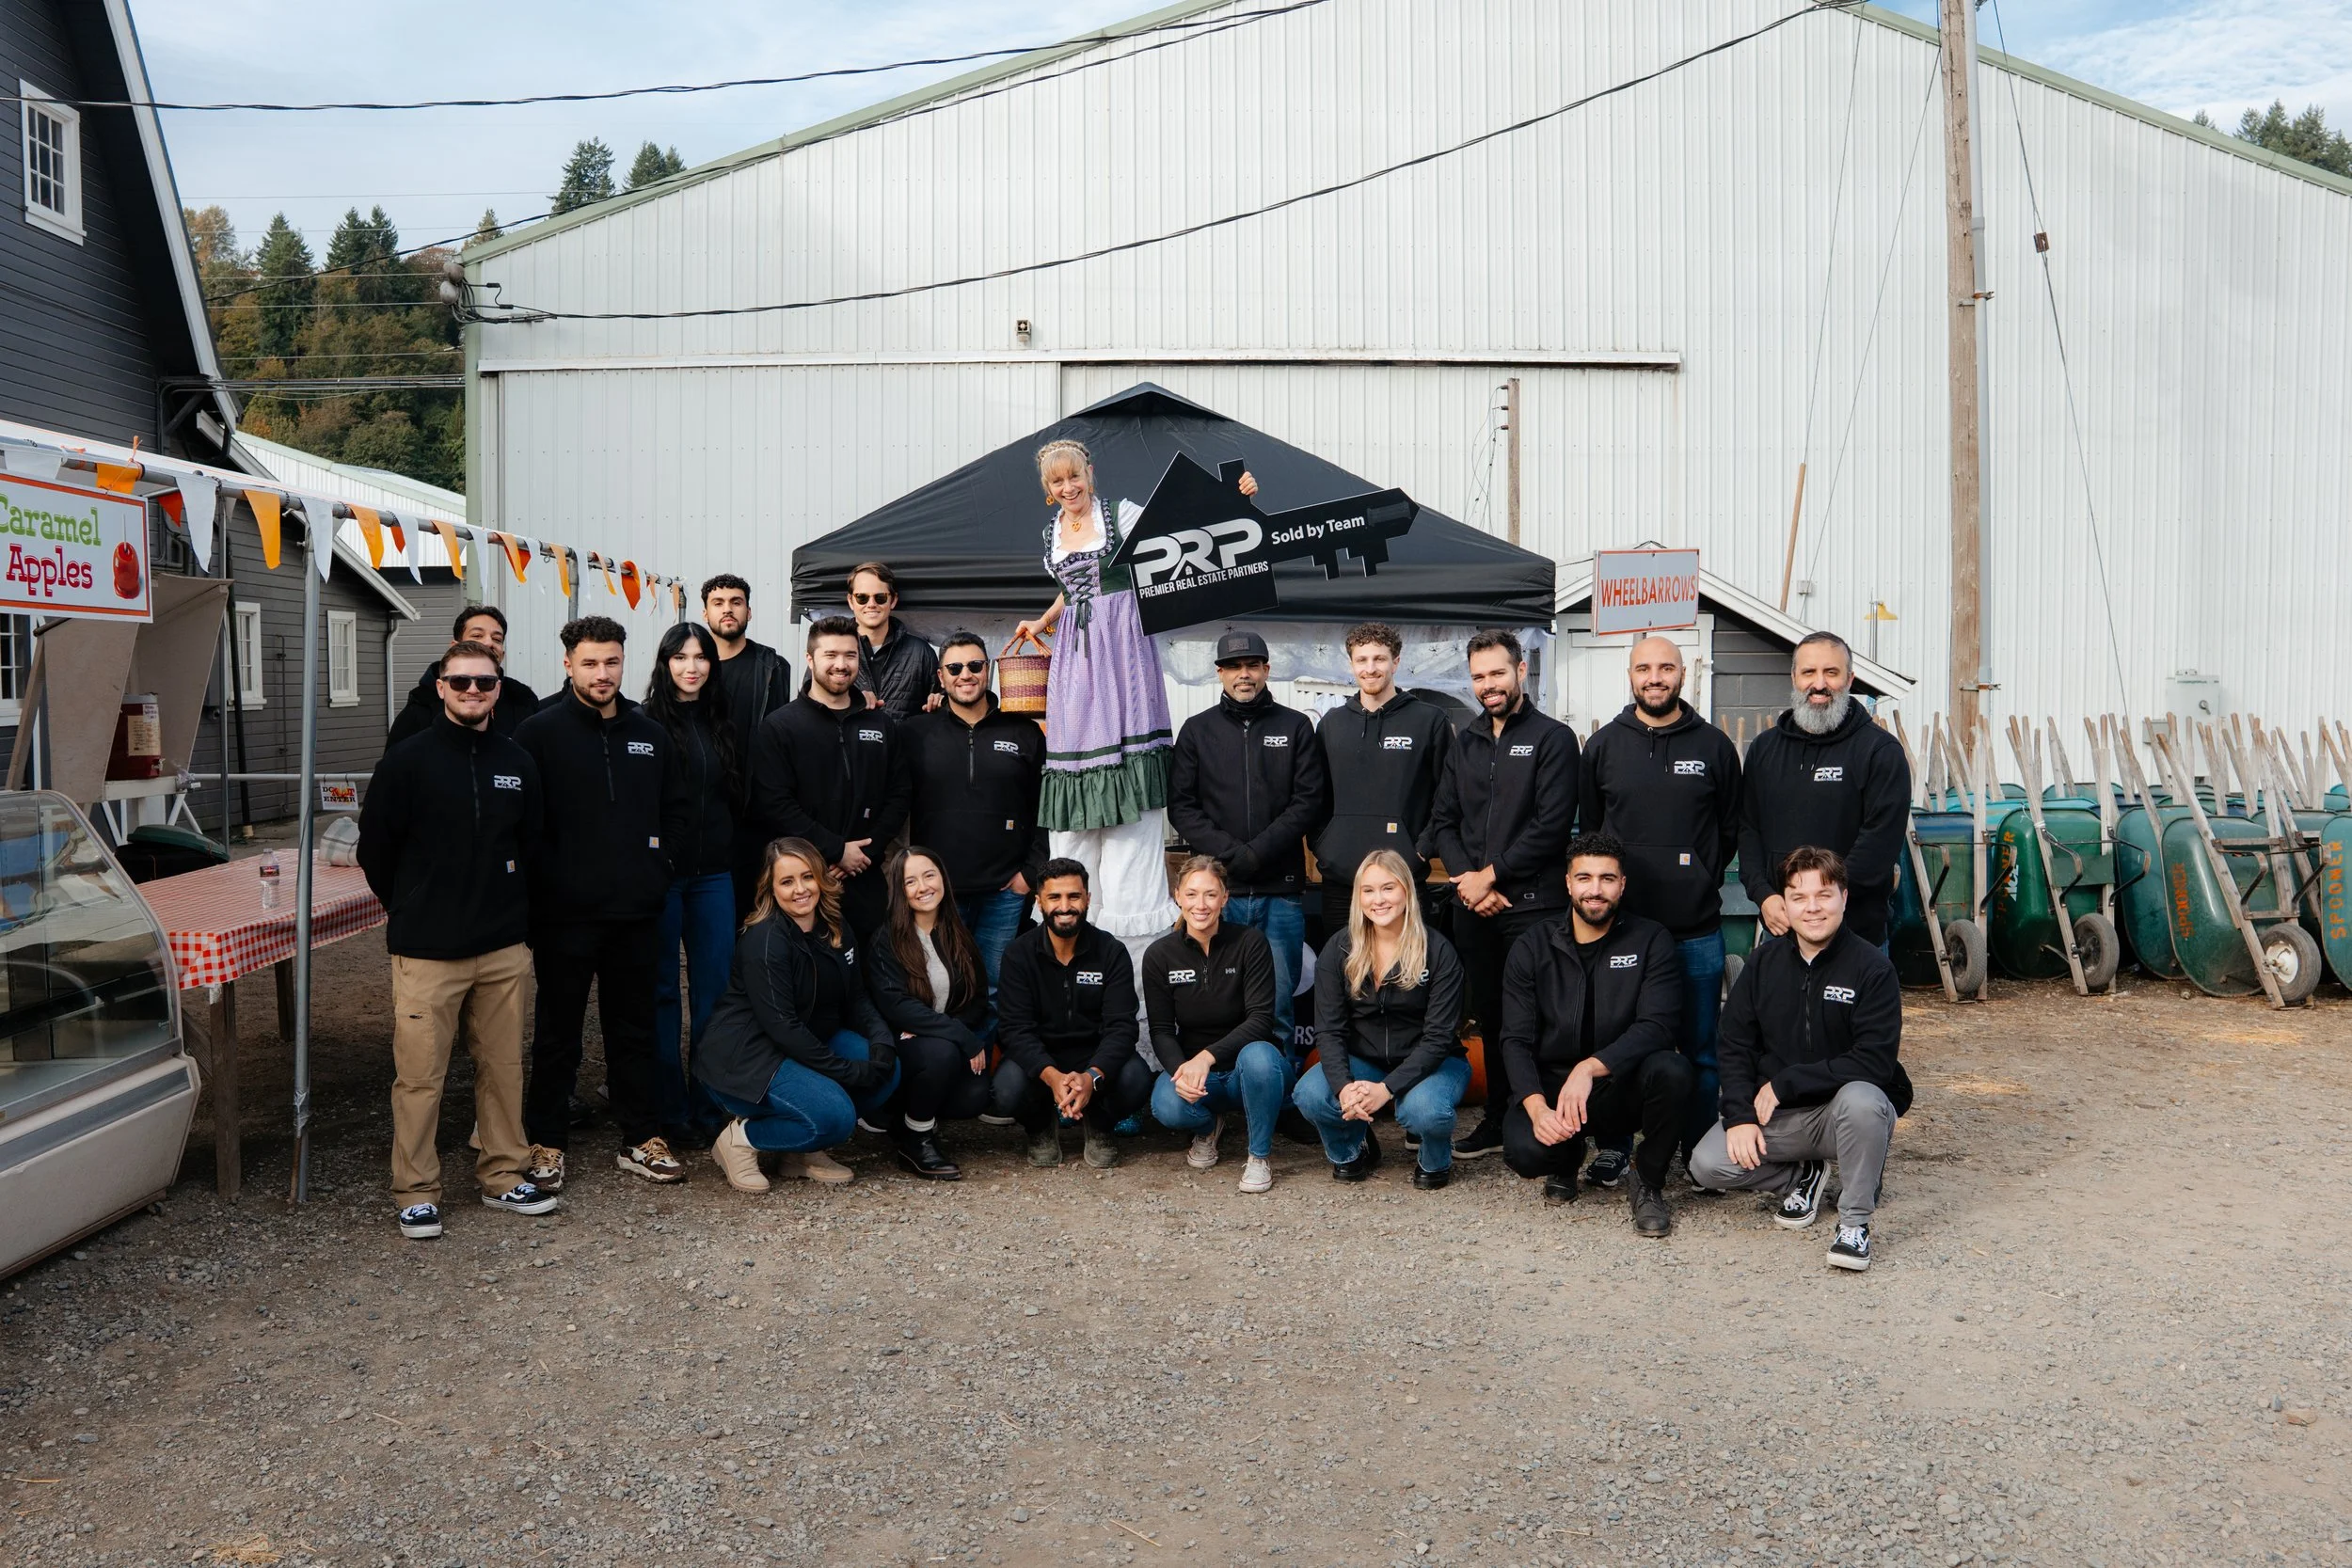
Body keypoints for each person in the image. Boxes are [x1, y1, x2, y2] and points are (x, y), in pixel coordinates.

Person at [1010, 441, 1242, 971]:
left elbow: (1181, 535)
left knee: (1128, 757)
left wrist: (1228, 501)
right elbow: (1072, 594)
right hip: (1075, 654)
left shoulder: (1121, 515)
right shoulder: (1052, 536)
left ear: (1090, 473)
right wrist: (1043, 623)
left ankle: (1133, 968)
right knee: (1075, 759)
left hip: (1122, 646)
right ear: (1049, 491)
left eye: (1074, 477)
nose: (1068, 489)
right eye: (1057, 483)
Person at [357, 640, 555, 1239]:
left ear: (499, 689)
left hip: (501, 947)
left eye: (485, 683)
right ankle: (415, 1189)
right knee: (419, 1075)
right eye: (461, 682)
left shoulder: (517, 762)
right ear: (440, 686)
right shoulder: (406, 762)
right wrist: (411, 905)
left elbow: (534, 845)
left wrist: (517, 916)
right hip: (426, 950)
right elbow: (376, 850)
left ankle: (503, 1174)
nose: (473, 691)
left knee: (503, 1067)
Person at [513, 615, 681, 1191]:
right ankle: (546, 1141)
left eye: (611, 662)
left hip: (636, 913)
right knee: (558, 1032)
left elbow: (672, 813)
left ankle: (640, 1137)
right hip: (564, 917)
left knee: (635, 1030)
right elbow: (524, 826)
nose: (602, 673)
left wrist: (659, 871)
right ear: (567, 664)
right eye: (589, 662)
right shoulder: (537, 734)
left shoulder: (650, 734)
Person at [1688, 845, 1910, 1271]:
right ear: (1784, 904)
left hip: (1839, 1114)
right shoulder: (1762, 964)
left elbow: (1874, 1062)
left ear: (1844, 897)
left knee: (1864, 1101)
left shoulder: (1872, 969)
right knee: (1706, 1163)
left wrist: (1787, 1082)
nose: (1812, 909)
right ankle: (1802, 1175)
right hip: (1780, 1118)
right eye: (1798, 897)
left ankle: (1854, 1223)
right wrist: (1738, 1116)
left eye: (1824, 895)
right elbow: (1734, 1045)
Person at [1575, 634, 1742, 1189]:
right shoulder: (1602, 746)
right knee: (1618, 1044)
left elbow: (1727, 830)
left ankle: (1698, 1152)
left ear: (1683, 674)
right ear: (1630, 675)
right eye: (1644, 667)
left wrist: (1697, 875)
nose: (1654, 677)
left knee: (1699, 1046)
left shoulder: (1715, 747)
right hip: (1621, 934)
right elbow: (1594, 832)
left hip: (1695, 929)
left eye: (1665, 667)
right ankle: (1616, 1146)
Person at [1427, 628, 1581, 1161]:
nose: (1488, 685)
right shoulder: (1463, 740)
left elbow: (1552, 827)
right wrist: (1471, 882)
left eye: (1497, 673)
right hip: (1475, 905)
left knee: (1536, 1016)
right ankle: (1497, 1117)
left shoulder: (1553, 738)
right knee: (1490, 1016)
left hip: (1533, 906)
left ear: (1520, 671)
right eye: (1478, 677)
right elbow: (1444, 821)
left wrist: (1490, 875)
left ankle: (1542, 1112)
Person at [1497, 832, 1692, 1238]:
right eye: (1584, 878)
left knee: (1673, 1070)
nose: (1595, 890)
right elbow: (1515, 1039)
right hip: (1552, 1085)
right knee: (1526, 1154)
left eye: (1607, 878)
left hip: (1616, 1083)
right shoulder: (1532, 946)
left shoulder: (1650, 939)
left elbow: (1658, 1025)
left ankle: (1648, 1182)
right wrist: (1536, 1108)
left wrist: (1590, 1067)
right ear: (1568, 883)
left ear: (1623, 884)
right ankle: (1566, 1159)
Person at [695, 838, 902, 1193]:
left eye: (807, 877)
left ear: (821, 878)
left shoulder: (834, 925)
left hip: (803, 1043)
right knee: (837, 1118)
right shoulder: (765, 941)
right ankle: (741, 1139)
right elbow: (782, 1027)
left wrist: (883, 1044)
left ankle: (800, 1151)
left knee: (888, 1069)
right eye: (787, 881)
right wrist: (846, 1071)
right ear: (771, 889)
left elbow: (857, 997)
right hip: (748, 1057)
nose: (800, 890)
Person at [1168, 628, 1327, 1058]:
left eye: (1252, 665)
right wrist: (1230, 857)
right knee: (1220, 1005)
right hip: (1221, 895)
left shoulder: (1295, 726)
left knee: (1277, 1006)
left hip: (1281, 893)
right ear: (1219, 673)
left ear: (1266, 670)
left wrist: (1257, 853)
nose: (1244, 674)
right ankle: (1222, 1096)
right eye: (1235, 666)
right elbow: (1182, 808)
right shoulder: (1197, 731)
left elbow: (1308, 802)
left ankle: (1278, 1102)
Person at [1292, 849, 1470, 1189]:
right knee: (1310, 1094)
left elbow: (1437, 1039)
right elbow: (1329, 1031)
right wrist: (1346, 1088)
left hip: (1434, 1062)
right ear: (1358, 897)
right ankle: (1351, 1150)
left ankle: (1434, 1159)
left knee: (1424, 1110)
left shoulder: (1438, 950)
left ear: (1407, 891)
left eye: (1388, 888)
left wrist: (1387, 1090)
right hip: (1366, 1060)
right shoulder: (1340, 948)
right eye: (1369, 890)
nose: (1379, 900)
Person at [1737, 632, 1911, 946]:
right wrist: (1764, 896)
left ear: (1849, 679)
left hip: (1855, 937)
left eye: (1831, 672)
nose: (1819, 684)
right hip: (1781, 931)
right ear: (1794, 678)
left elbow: (1879, 845)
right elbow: (1749, 831)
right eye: (1808, 673)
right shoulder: (1765, 749)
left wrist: (1816, 905)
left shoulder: (1879, 751)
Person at [750, 615, 913, 942]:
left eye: (850, 656)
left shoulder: (880, 724)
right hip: (805, 881)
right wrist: (835, 850)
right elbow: (775, 804)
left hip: (866, 877)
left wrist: (864, 852)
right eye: (830, 655)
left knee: (872, 972)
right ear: (810, 659)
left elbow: (900, 793)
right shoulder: (780, 727)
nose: (841, 665)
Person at [902, 632, 1046, 992]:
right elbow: (895, 802)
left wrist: (1028, 875)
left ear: (989, 670)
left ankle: (991, 1051)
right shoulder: (914, 733)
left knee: (997, 988)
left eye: (974, 666)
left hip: (1005, 892)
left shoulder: (1025, 732)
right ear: (941, 677)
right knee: (944, 986)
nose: (965, 674)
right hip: (938, 892)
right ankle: (954, 1051)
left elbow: (1045, 808)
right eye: (954, 667)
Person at [644, 621, 740, 1150]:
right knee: (661, 994)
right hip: (666, 879)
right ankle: (668, 1110)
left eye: (700, 656)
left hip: (714, 878)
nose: (692, 666)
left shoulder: (722, 723)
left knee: (714, 996)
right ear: (665, 664)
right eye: (680, 657)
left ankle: (708, 1104)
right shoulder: (647, 724)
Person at [990, 858, 1154, 1168]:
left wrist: (1092, 1076)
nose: (1065, 907)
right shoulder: (1019, 954)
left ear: (1088, 899)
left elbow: (1122, 1026)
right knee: (1006, 1089)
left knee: (1136, 1077)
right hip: (1042, 1061)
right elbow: (1014, 1029)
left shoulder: (1110, 951)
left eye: (1074, 896)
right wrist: (1051, 1076)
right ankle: (1040, 1128)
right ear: (1039, 902)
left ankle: (1100, 1125)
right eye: (1054, 897)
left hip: (1093, 1059)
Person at [1144, 856, 1285, 1194]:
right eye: (1192, 894)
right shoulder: (1160, 955)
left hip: (1243, 1070)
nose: (1201, 905)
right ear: (1177, 896)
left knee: (1261, 1058)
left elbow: (1261, 1020)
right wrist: (1182, 1071)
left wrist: (1206, 1056)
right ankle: (1208, 1128)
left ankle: (1259, 1155)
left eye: (1210, 894)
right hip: (1198, 1076)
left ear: (1225, 898)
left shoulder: (1250, 943)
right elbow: (1161, 1030)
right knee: (1165, 1104)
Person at [1312, 622, 1454, 929]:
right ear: (1351, 664)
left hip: (1403, 876)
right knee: (1344, 971)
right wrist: (1326, 846)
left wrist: (1422, 849)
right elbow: (1315, 796)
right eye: (1362, 660)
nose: (1370, 668)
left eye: (1379, 659)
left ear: (1396, 662)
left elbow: (1449, 794)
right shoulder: (1331, 725)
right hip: (1341, 880)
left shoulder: (1429, 721)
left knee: (1407, 972)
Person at [865, 848, 993, 1180]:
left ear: (943, 879)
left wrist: (946, 1029)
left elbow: (978, 999)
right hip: (899, 1045)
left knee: (975, 1096)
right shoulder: (886, 939)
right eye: (910, 881)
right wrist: (958, 1036)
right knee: (940, 1052)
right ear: (899, 890)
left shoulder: (957, 933)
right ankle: (916, 1138)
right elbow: (897, 1007)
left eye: (929, 875)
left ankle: (903, 1117)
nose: (923, 886)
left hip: (938, 1042)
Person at [701, 573, 792, 916]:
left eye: (736, 603)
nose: (728, 610)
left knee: (756, 909)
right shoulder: (693, 669)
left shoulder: (772, 666)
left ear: (749, 612)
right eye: (719, 603)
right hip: (709, 808)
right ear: (705, 613)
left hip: (757, 809)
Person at [385, 604, 541, 747]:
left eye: (497, 639)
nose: (488, 642)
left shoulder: (522, 701)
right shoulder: (421, 708)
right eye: (477, 636)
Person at [846, 561, 938, 719]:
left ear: (893, 600)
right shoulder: (833, 651)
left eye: (880, 597)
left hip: (904, 743)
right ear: (850, 601)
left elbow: (942, 710)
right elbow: (812, 705)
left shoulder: (921, 652)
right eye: (862, 598)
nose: (871, 604)